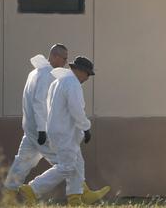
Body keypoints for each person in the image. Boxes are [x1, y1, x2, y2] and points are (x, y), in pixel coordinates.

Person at [19, 56, 109, 206]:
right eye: (87, 74)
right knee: (66, 167)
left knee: (78, 164)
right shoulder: (72, 84)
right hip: (65, 133)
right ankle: (32, 189)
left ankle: (76, 198)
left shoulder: (58, 82)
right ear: (79, 71)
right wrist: (86, 128)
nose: (87, 78)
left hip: (59, 131)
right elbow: (76, 110)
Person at [2, 44, 68, 204]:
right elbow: (39, 103)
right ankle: (33, 189)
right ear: (54, 56)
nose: (66, 63)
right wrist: (42, 130)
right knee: (67, 163)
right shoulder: (47, 75)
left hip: (30, 129)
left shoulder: (34, 73)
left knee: (22, 161)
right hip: (41, 130)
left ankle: (9, 194)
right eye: (64, 58)